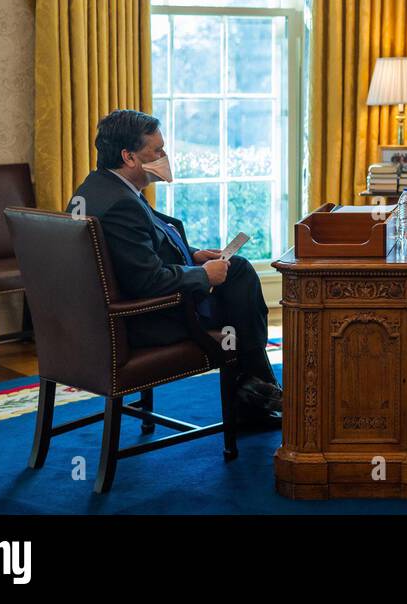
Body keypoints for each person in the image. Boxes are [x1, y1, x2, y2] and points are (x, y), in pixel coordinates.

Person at [71, 110, 281, 428]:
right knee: (238, 275)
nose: (165, 156)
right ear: (129, 156)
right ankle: (256, 392)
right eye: (157, 151)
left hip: (92, 322)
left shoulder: (95, 188)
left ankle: (255, 388)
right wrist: (204, 275)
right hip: (144, 320)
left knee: (235, 275)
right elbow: (147, 281)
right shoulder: (122, 205)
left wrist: (192, 254)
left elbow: (140, 247)